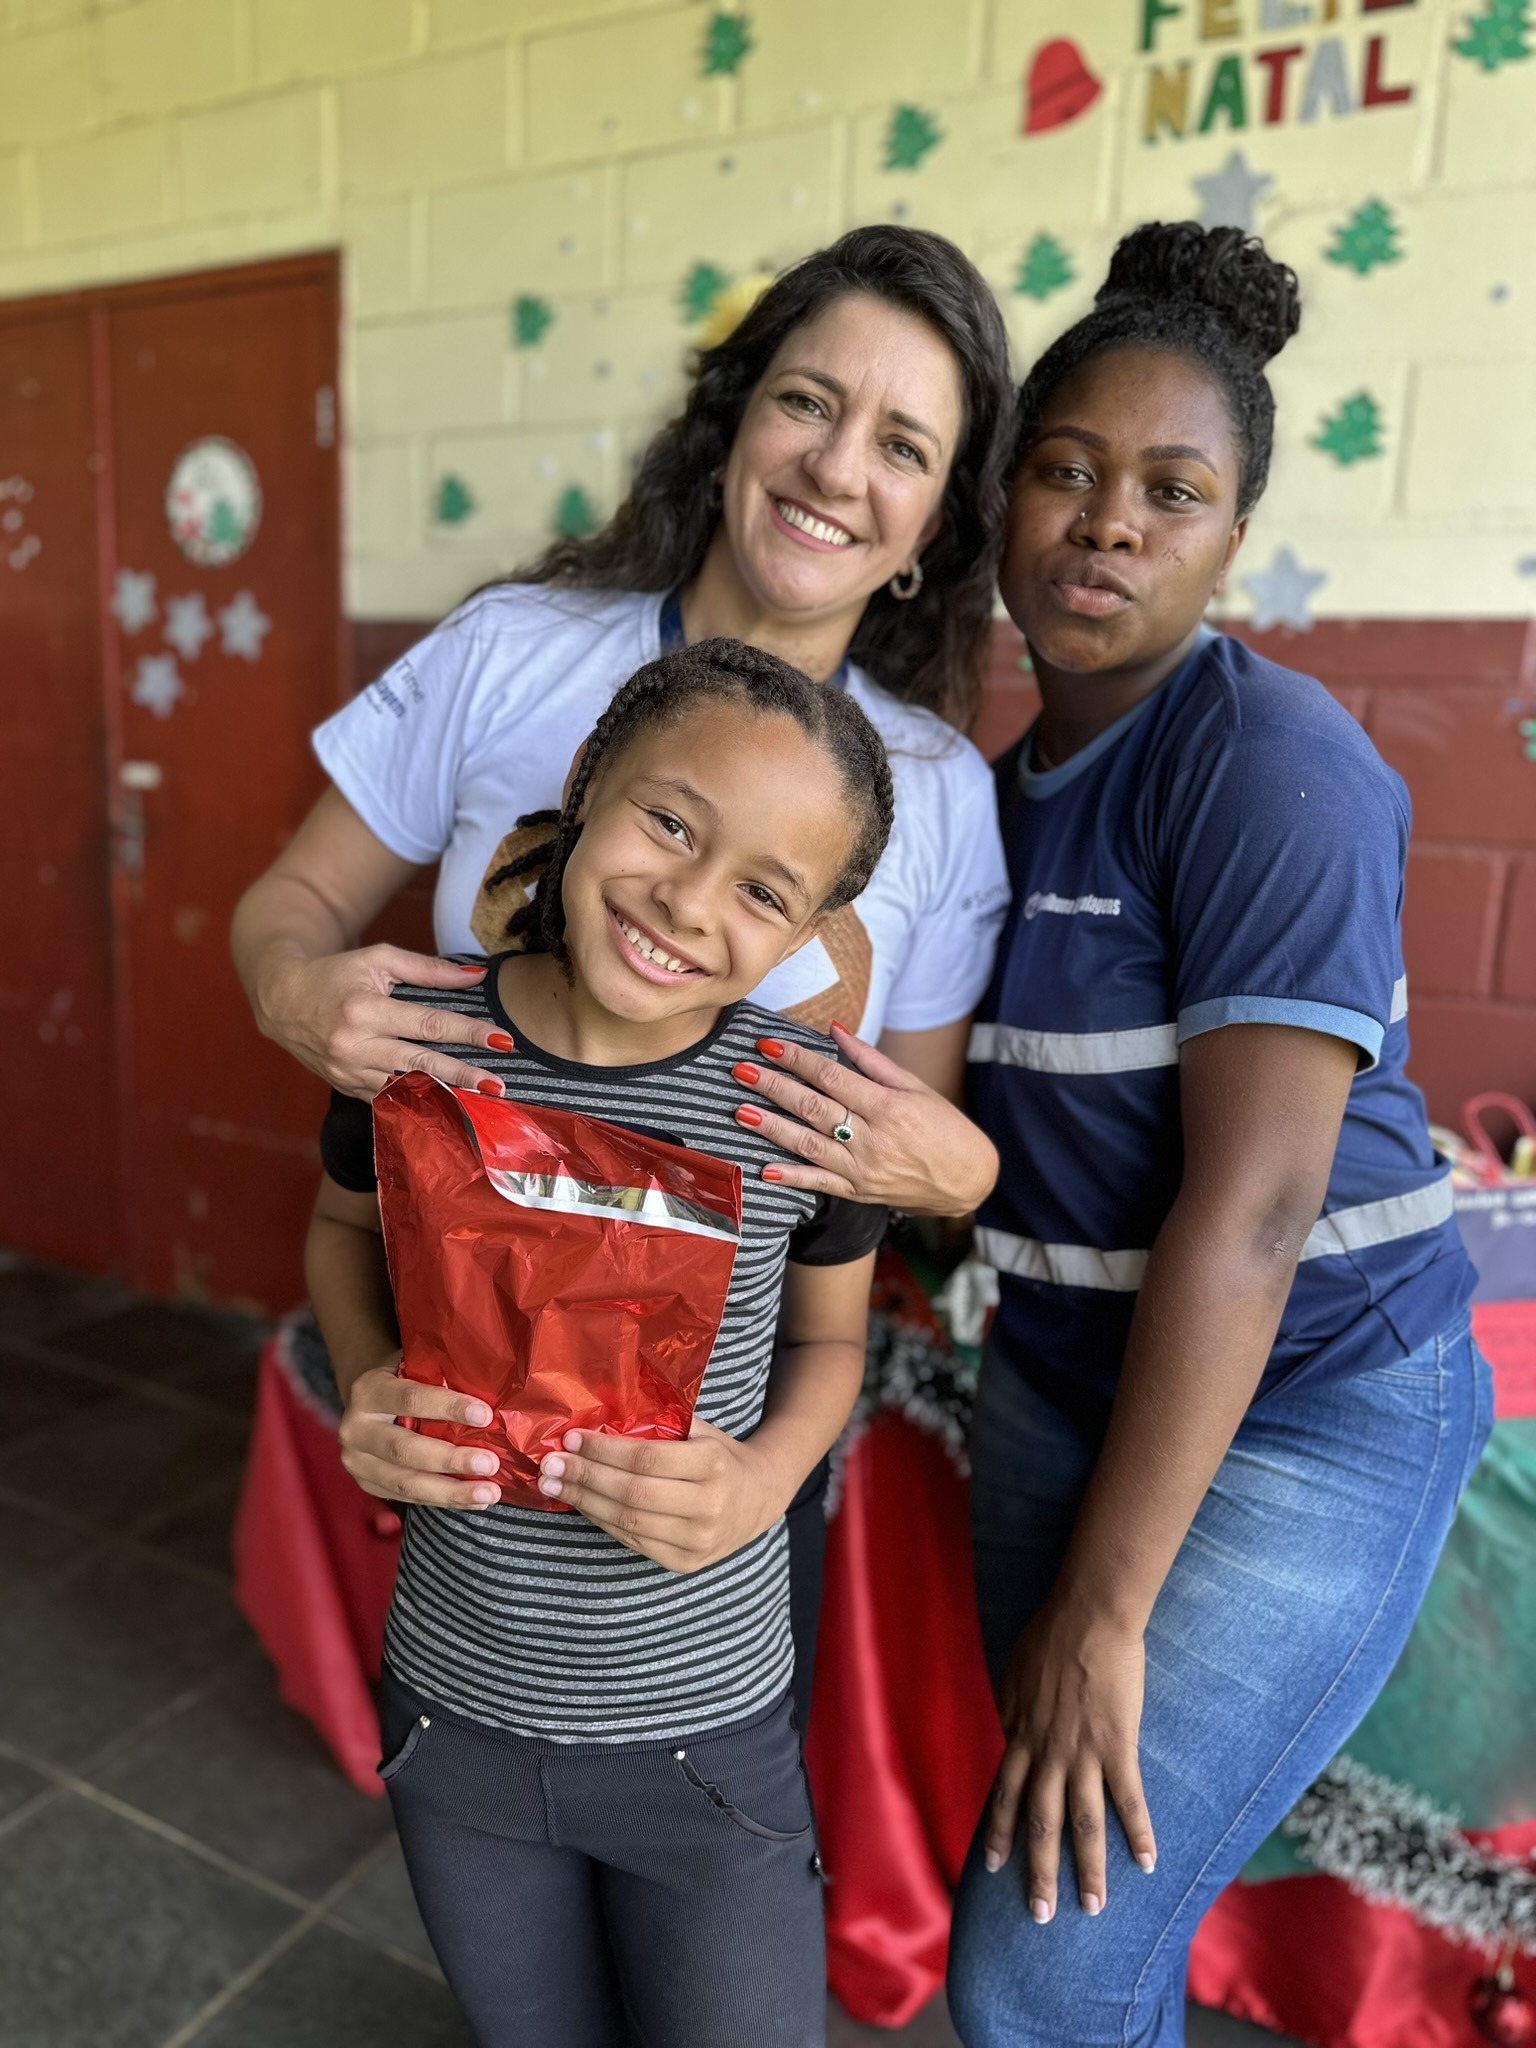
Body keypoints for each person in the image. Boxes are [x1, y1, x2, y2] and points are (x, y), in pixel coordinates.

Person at [232, 226, 1015, 1717]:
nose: (839, 466)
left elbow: (906, 1156)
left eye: (903, 445)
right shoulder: (510, 651)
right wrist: (290, 990)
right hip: (464, 1412)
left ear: (928, 534)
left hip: (707, 1482)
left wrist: (965, 1175)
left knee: (700, 1835)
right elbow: (291, 903)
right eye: (807, 402)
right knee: (474, 1784)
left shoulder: (943, 794)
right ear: (732, 427)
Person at [925, 223, 1488, 2045]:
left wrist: (1105, 1614)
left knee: (1041, 1955)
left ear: (1230, 541)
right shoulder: (985, 798)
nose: (1107, 522)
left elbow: (1250, 1216)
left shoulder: (1270, 763)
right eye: (1069, 471)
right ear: (1005, 499)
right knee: (1087, 1914)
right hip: (1067, 1368)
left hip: (1316, 1396)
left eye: (1172, 490)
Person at [308, 640, 910, 2048]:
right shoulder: (410, 1042)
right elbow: (340, 1236)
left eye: (764, 890)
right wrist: (361, 1379)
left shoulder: (804, 1111)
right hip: (454, 1723)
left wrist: (764, 1482)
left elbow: (834, 1346)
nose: (688, 902)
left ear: (810, 925)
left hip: (706, 1743)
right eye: (668, 822)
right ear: (589, 783)